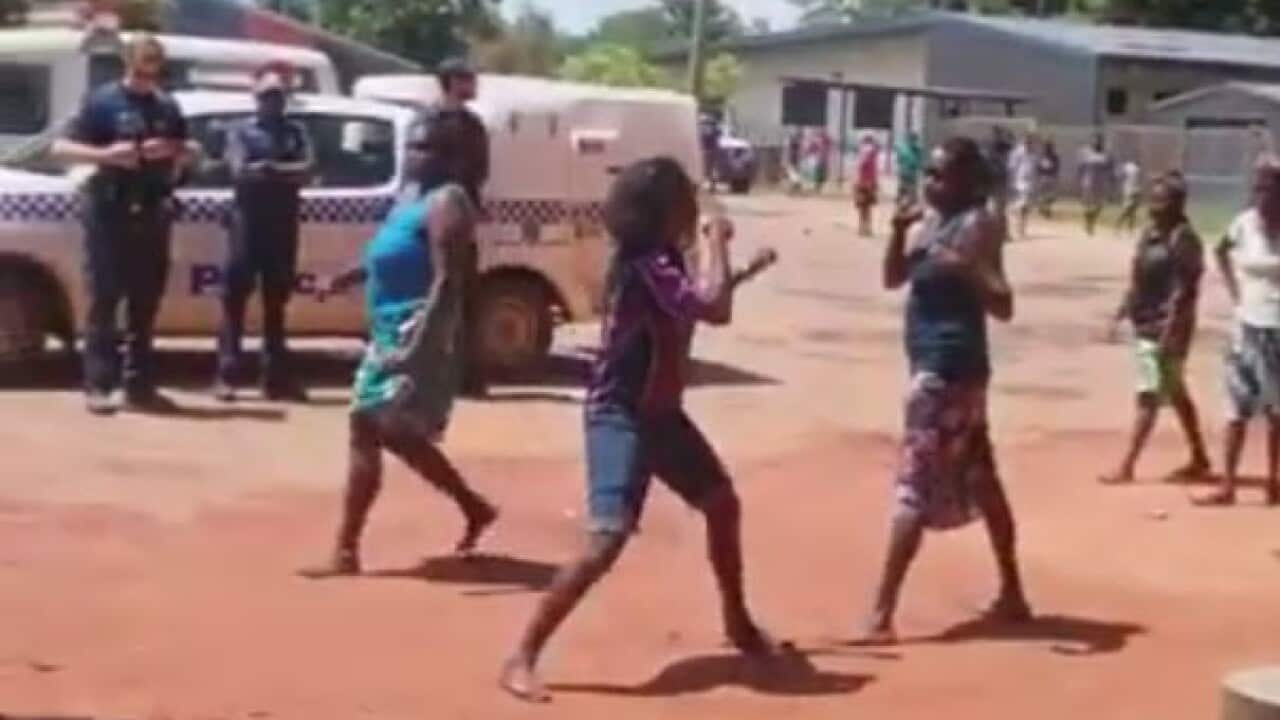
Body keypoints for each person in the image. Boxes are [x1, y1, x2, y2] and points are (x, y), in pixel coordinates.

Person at [500, 157, 779, 703]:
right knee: (607, 538)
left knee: (721, 504)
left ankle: (738, 623)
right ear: (666, 210)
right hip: (622, 415)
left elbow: (692, 307)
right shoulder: (648, 263)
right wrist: (718, 242)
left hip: (658, 414)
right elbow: (710, 307)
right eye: (687, 199)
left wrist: (737, 271)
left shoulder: (658, 261)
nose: (695, 205)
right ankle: (522, 654)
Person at [299, 111, 498, 578]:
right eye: (410, 145)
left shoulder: (449, 203)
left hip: (418, 330)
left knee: (367, 425)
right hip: (391, 329)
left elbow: (450, 283)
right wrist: (346, 277)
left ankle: (345, 551)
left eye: (423, 148)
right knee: (395, 433)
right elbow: (389, 253)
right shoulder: (414, 199)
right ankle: (474, 506)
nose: (410, 155)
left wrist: (421, 348)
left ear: (451, 158)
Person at [854, 137, 1030, 645]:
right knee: (980, 477)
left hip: (946, 370)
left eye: (940, 175)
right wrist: (896, 233)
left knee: (915, 481)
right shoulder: (933, 224)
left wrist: (967, 267)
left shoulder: (977, 224)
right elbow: (894, 279)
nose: (930, 184)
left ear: (969, 182)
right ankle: (1013, 592)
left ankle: (881, 613)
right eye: (928, 174)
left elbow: (1003, 303)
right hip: (948, 368)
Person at [51, 34, 197, 416]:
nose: (150, 67)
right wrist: (108, 155)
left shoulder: (167, 106)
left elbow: (189, 150)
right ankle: (99, 384)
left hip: (152, 211)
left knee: (145, 303)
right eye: (144, 59)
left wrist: (172, 151)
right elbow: (60, 148)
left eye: (156, 60)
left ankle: (140, 384)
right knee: (104, 298)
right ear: (128, 61)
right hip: (108, 211)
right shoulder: (102, 101)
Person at [1100, 172, 1211, 485]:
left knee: (1149, 393)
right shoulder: (1149, 235)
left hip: (1168, 326)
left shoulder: (1184, 239)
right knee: (1175, 391)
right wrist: (1119, 314)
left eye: (1161, 201)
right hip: (1146, 321)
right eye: (1153, 199)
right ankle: (1200, 456)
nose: (1153, 206)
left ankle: (1126, 465)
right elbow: (1136, 279)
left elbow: (1184, 289)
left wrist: (1169, 329)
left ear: (1177, 204)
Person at [213, 62, 314, 404]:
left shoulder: (295, 131)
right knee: (234, 301)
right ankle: (227, 376)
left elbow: (309, 169)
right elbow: (240, 171)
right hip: (247, 223)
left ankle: (275, 378)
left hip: (282, 225)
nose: (274, 103)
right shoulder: (240, 131)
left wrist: (273, 170)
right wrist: (278, 171)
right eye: (267, 97)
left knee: (276, 303)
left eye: (279, 97)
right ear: (256, 99)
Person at [1195, 160, 1280, 507]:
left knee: (1276, 412)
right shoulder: (1244, 224)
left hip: (1277, 331)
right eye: (1258, 188)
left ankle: (1272, 483)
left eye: (1270, 188)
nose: (1262, 195)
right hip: (1245, 326)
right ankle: (1227, 484)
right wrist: (1235, 292)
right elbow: (1220, 250)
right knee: (1235, 406)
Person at [423, 57, 489, 399]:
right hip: (434, 220)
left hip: (464, 220)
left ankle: (467, 374)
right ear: (451, 82)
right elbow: (421, 171)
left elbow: (480, 173)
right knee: (433, 296)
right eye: (467, 78)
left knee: (466, 299)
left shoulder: (473, 125)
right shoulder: (429, 122)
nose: (474, 85)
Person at [1078, 135, 1115, 237]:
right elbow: (1081, 167)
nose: (1097, 143)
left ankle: (1092, 220)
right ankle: (1088, 223)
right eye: (1095, 141)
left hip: (1101, 183)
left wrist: (1112, 181)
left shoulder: (1106, 154)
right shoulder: (1086, 153)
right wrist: (1079, 179)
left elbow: (1110, 168)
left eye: (1099, 141)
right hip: (1088, 182)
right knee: (1087, 205)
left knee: (1100, 205)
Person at [1008, 133, 1038, 240]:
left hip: (1030, 183)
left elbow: (1034, 169)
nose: (1029, 144)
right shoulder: (1017, 153)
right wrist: (1012, 182)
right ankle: (1019, 227)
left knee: (1026, 207)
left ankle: (1021, 225)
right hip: (1020, 181)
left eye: (1031, 142)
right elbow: (1012, 167)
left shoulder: (1034, 154)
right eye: (1027, 141)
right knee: (1023, 205)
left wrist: (1035, 183)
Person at [854, 134, 881, 237]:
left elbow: (861, 166)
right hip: (867, 183)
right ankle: (866, 228)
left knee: (863, 207)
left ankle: (863, 228)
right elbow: (864, 166)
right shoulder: (870, 151)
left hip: (862, 182)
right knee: (867, 207)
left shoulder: (863, 151)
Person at [986, 127, 1013, 216]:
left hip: (1000, 175)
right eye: (996, 134)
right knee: (995, 199)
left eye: (998, 134)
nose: (997, 136)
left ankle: (998, 215)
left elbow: (1010, 147)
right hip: (994, 175)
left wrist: (1010, 137)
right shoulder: (991, 145)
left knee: (1001, 200)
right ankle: (995, 215)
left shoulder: (1002, 145)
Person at [1115, 159, 1143, 236]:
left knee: (1130, 212)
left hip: (1130, 191)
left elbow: (1119, 175)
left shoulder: (1127, 167)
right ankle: (1121, 228)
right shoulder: (1136, 169)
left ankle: (1127, 229)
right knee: (1129, 211)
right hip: (1132, 191)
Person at [895, 132, 923, 204]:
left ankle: (907, 203)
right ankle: (903, 204)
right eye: (912, 139)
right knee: (905, 190)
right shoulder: (904, 149)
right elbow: (899, 160)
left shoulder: (917, 150)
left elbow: (899, 160)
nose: (913, 141)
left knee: (909, 191)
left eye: (913, 139)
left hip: (909, 173)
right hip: (906, 173)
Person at [1036, 139, 1061, 219]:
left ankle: (1045, 208)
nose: (1048, 148)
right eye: (1047, 146)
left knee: (1051, 196)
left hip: (1051, 177)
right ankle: (1045, 209)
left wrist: (1056, 176)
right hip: (1043, 177)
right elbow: (1038, 167)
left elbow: (1056, 167)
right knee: (1043, 195)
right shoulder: (1042, 156)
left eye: (1050, 146)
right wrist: (1038, 176)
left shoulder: (1054, 157)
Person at [699, 112, 722, 192]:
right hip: (713, 150)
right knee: (711, 169)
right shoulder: (715, 128)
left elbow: (702, 138)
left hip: (706, 150)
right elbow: (718, 135)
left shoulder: (703, 128)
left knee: (706, 168)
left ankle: (709, 185)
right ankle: (712, 186)